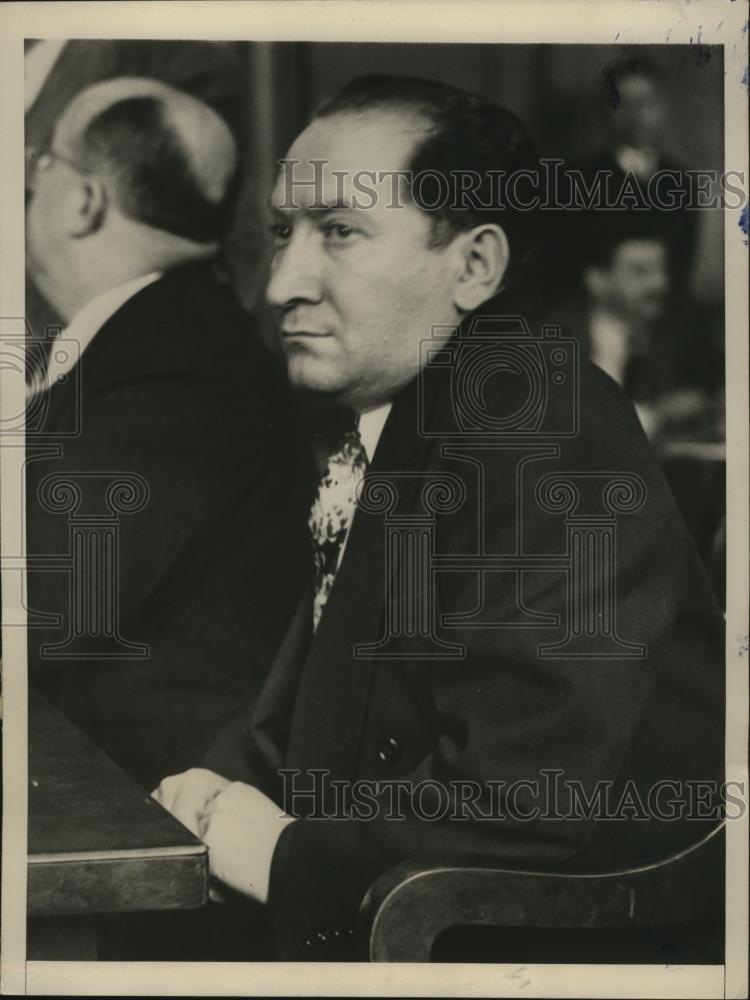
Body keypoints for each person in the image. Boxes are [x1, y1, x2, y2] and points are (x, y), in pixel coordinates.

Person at [154, 75, 725, 961]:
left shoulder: (539, 424)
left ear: (474, 266)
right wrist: (217, 784)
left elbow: (528, 795)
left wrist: (279, 852)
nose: (282, 285)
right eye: (282, 233)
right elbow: (331, 710)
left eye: (338, 232)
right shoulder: (440, 409)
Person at [25, 78, 316, 789]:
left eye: (41, 164)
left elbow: (39, 605)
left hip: (152, 829)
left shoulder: (182, 363)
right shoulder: (157, 338)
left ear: (83, 200)